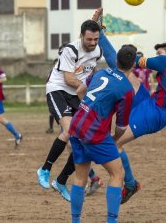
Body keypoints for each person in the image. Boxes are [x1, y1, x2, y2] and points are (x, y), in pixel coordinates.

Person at [93, 7, 166, 204]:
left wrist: (100, 35)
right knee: (129, 77)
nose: (156, 56)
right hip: (152, 102)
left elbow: (125, 60)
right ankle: (128, 182)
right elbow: (123, 64)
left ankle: (130, 184)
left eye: (159, 52)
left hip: (157, 113)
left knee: (112, 143)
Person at [37, 19, 104, 202]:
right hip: (58, 89)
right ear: (81, 36)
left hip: (77, 94)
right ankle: (45, 169)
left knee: (82, 141)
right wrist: (91, 91)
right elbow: (68, 79)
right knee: (69, 132)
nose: (92, 43)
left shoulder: (98, 51)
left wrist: (95, 82)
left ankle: (61, 180)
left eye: (95, 39)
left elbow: (92, 70)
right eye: (89, 39)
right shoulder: (70, 50)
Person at [69, 44, 136, 223]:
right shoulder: (127, 90)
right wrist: (113, 139)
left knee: (80, 177)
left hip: (76, 126)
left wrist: (90, 109)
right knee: (117, 174)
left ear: (116, 60)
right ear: (133, 65)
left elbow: (80, 91)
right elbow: (121, 127)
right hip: (94, 133)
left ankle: (75, 221)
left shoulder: (101, 72)